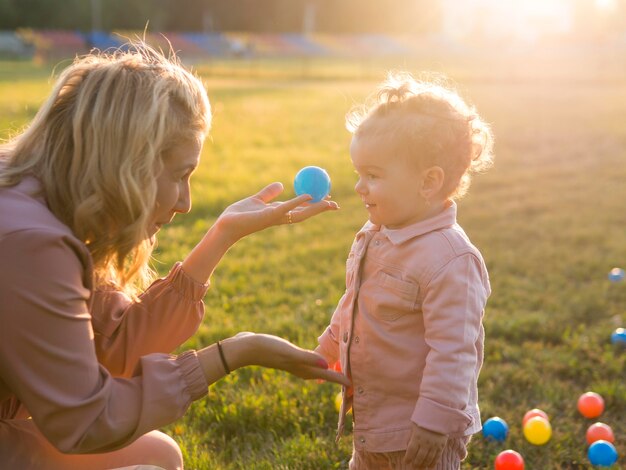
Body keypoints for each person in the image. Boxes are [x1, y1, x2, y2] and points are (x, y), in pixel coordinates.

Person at [0, 42, 350, 470]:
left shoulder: (49, 205)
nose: (185, 202)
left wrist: (222, 234)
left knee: (159, 453)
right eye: (181, 175)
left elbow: (114, 348)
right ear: (130, 164)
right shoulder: (31, 244)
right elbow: (86, 419)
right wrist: (233, 354)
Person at [315, 72, 494, 470]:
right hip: (374, 420)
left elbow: (454, 350)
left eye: (373, 176)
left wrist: (434, 422)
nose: (360, 187)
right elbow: (355, 302)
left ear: (428, 182)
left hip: (420, 434)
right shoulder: (374, 233)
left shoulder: (451, 260)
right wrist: (328, 348)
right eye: (359, 173)